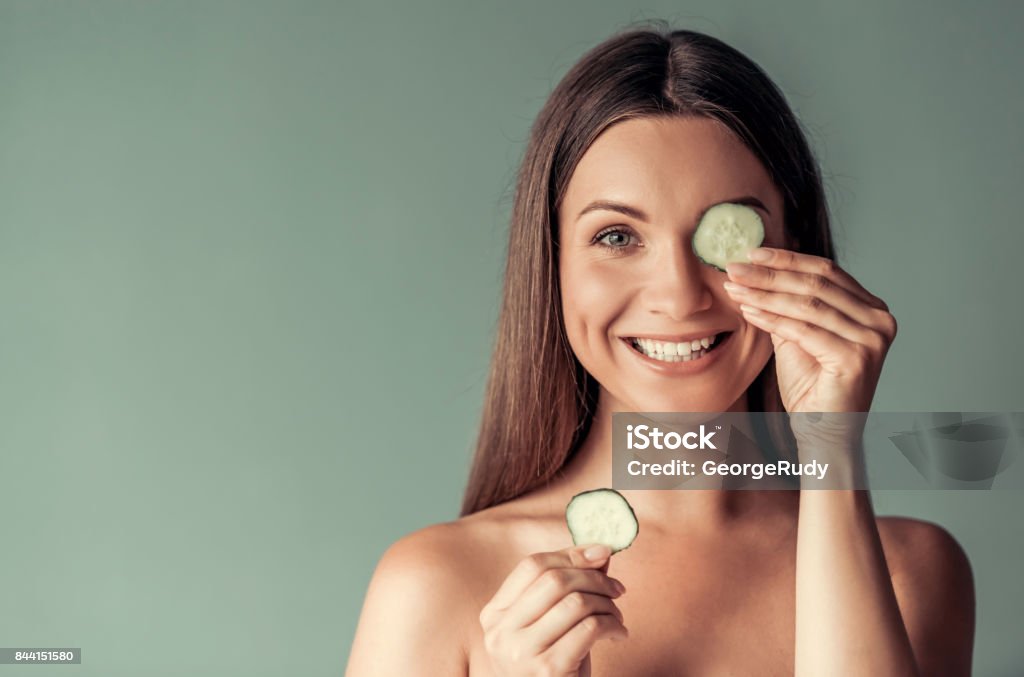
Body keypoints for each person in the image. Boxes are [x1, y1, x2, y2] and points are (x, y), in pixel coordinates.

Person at [346, 23, 975, 676]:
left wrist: (830, 441)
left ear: (799, 252)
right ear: (552, 261)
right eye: (617, 236)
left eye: (728, 233)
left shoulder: (914, 572)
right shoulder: (434, 586)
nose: (678, 296)